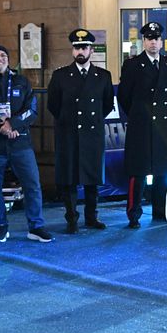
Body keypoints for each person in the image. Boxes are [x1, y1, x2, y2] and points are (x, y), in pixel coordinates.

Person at [0, 45, 50, 243]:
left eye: (4, 55)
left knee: (32, 184)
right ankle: (1, 227)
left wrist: (12, 124)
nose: (0, 58)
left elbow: (31, 110)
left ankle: (36, 227)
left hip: (20, 143)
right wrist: (1, 127)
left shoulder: (21, 82)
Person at [47, 29, 114, 235]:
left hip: (92, 134)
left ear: (91, 50)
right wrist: (69, 121)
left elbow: (108, 104)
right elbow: (53, 105)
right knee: (69, 179)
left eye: (84, 47)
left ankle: (92, 217)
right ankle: (71, 219)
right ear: (72, 50)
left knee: (92, 179)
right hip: (69, 134)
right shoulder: (60, 76)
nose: (80, 51)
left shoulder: (103, 76)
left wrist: (90, 121)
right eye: (77, 48)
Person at [117, 22, 167, 229]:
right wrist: (138, 115)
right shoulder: (132, 65)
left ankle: (161, 210)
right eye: (149, 38)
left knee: (163, 172)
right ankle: (134, 214)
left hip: (162, 126)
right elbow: (124, 96)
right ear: (144, 41)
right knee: (138, 171)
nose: (153, 42)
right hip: (141, 126)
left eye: (157, 38)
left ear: (162, 42)